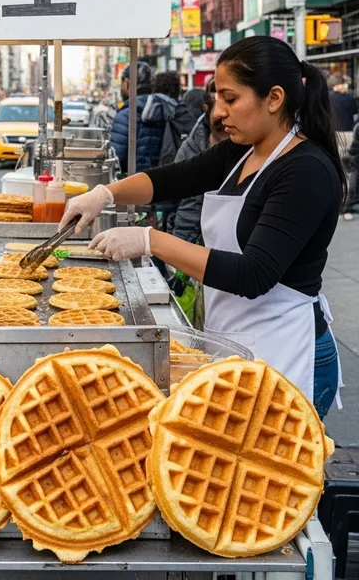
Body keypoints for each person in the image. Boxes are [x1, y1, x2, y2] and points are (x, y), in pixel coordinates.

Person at [62, 37, 343, 420]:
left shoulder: (305, 170)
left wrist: (150, 240)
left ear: (274, 98)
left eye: (230, 98)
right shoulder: (243, 149)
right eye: (216, 98)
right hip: (237, 337)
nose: (218, 111)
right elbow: (174, 178)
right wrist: (105, 194)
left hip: (287, 348)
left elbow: (254, 273)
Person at [171, 80, 229, 245]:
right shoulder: (194, 143)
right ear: (206, 110)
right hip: (190, 236)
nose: (225, 121)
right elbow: (174, 184)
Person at [109, 61, 162, 174]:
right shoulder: (163, 109)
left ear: (127, 83)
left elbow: (117, 159)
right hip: (162, 179)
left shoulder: (126, 115)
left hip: (135, 183)